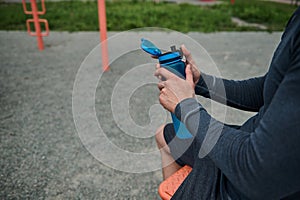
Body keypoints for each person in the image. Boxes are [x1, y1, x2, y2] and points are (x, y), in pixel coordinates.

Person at [154, 7, 300, 200]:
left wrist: (187, 106)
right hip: (255, 142)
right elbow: (268, 88)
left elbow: (259, 171)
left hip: (250, 176)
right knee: (165, 135)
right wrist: (200, 82)